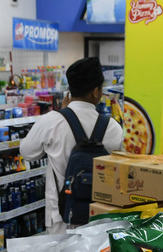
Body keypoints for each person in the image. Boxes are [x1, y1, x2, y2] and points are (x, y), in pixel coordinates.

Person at [20, 57, 123, 234]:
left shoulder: (52, 121)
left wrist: (62, 113)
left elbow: (27, 153)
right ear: (97, 91)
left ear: (70, 90)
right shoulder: (113, 127)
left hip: (60, 217)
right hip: (99, 219)